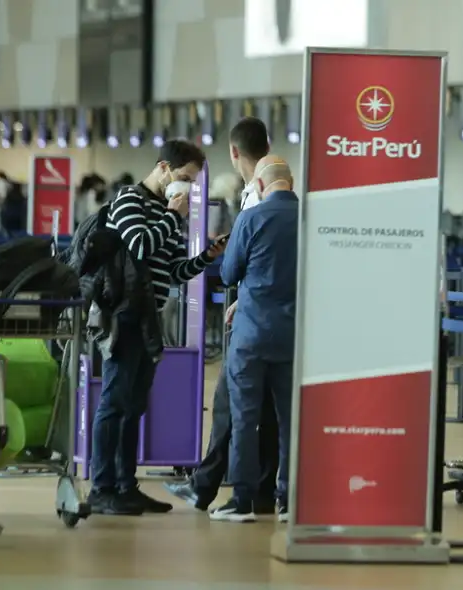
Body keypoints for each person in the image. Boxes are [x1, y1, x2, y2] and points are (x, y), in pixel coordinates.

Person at [88, 139, 227, 516]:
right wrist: (172, 215)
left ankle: (124, 484)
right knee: (115, 402)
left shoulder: (168, 212)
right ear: (163, 168)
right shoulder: (130, 199)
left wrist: (206, 257)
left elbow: (175, 270)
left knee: (134, 405)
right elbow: (138, 245)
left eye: (192, 183)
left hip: (151, 317)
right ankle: (101, 488)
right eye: (183, 178)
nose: (186, 187)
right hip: (125, 315)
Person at [165, 117, 280, 514]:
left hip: (255, 320)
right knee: (260, 408)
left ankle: (218, 488)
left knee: (234, 404)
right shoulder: (277, 193)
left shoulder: (258, 196)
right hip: (267, 313)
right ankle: (253, 490)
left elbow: (239, 266)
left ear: (234, 152)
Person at [213, 155, 298, 523]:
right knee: (289, 419)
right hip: (293, 335)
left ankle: (242, 501)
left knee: (244, 417)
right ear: (290, 183)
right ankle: (289, 500)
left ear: (260, 186)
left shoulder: (251, 218)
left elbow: (229, 273)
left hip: (251, 335)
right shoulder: (312, 221)